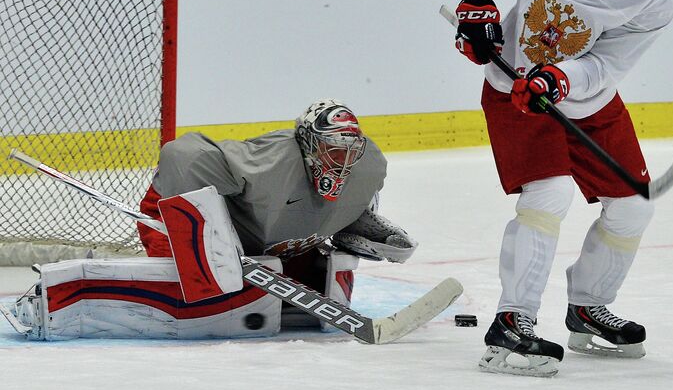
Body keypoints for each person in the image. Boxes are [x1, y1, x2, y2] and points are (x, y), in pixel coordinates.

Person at [454, 0, 673, 376]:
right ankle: (513, 322)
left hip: (586, 96)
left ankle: (587, 307)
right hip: (515, 87)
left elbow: (606, 65)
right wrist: (478, 1)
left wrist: (561, 77)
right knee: (549, 194)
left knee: (633, 207)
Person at [10, 99, 418, 340]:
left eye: (349, 150)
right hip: (179, 209)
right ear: (309, 144)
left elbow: (328, 208)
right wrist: (210, 239)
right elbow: (181, 156)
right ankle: (54, 300)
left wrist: (349, 225)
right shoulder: (269, 164)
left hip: (262, 237)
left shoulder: (369, 166)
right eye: (332, 149)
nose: (342, 161)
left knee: (285, 277)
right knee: (196, 287)